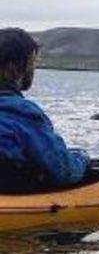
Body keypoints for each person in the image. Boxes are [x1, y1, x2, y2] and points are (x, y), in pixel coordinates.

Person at [0, 28, 89, 190]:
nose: (34, 70)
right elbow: (65, 171)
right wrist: (82, 157)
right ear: (14, 67)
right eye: (32, 63)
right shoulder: (22, 113)